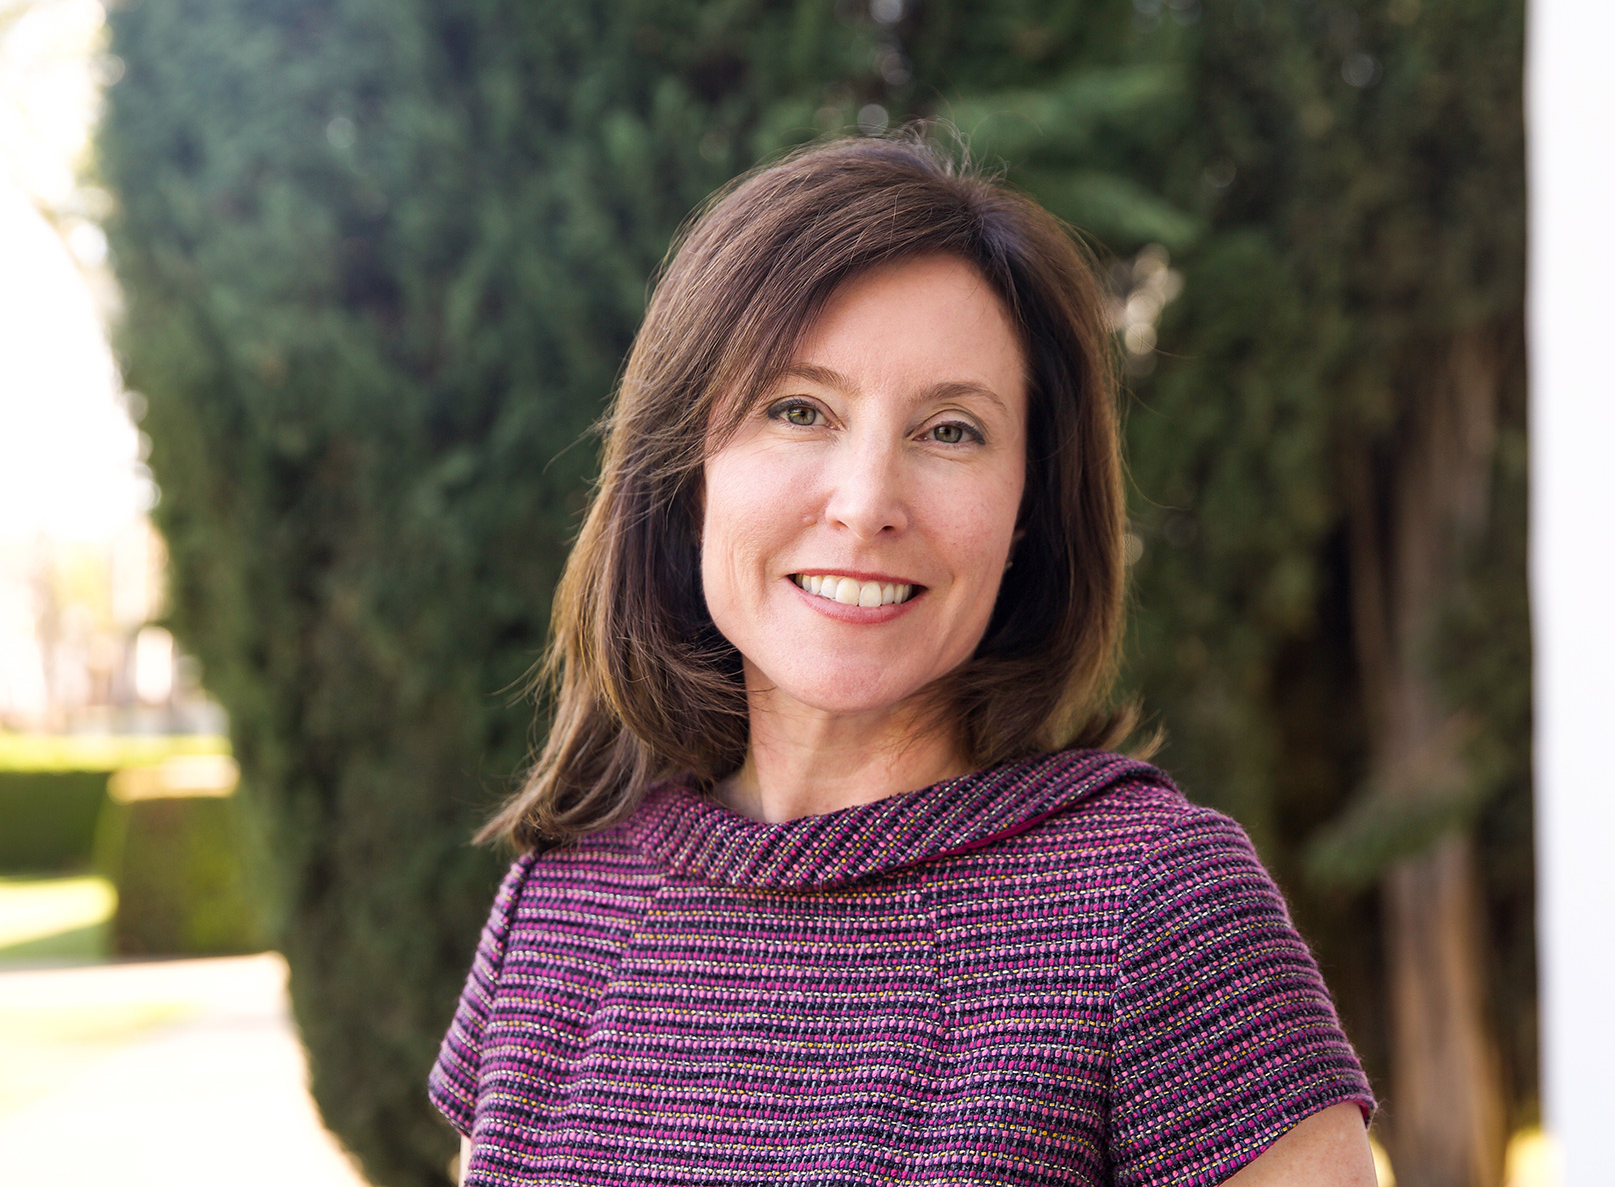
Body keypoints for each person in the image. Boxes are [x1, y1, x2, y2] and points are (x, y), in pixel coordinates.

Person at [430, 135, 1377, 1186]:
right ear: (688, 471)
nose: (868, 501)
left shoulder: (1158, 910)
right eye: (800, 411)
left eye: (952, 431)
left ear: (1029, 508)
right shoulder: (559, 909)